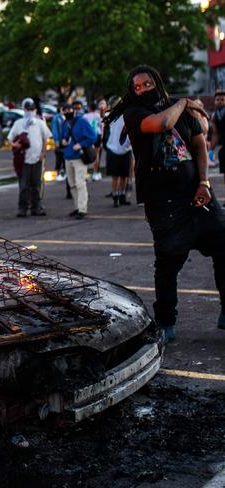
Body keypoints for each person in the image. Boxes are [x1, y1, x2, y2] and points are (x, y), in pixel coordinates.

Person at [108, 64, 225, 342]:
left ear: (157, 83)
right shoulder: (134, 113)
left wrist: (204, 182)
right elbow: (162, 124)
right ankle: (165, 322)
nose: (142, 90)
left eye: (147, 84)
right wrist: (184, 102)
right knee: (168, 263)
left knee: (223, 246)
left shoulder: (178, 109)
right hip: (164, 203)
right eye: (136, 87)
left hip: (197, 195)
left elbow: (199, 145)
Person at [9, 98, 52, 217]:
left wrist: (43, 153)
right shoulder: (18, 124)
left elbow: (45, 138)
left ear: (35, 110)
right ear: (24, 110)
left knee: (36, 184)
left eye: (31, 109)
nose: (29, 111)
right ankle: (22, 208)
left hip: (37, 158)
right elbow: (10, 138)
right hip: (24, 159)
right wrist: (15, 145)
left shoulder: (40, 123)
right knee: (24, 185)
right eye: (27, 109)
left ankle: (36, 207)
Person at [62, 100, 96, 219]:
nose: (67, 112)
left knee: (80, 183)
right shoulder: (65, 123)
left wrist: (81, 144)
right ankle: (77, 207)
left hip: (79, 157)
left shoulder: (81, 121)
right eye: (65, 110)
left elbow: (93, 137)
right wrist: (64, 141)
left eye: (69, 110)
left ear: (73, 110)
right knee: (72, 184)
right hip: (68, 156)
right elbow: (65, 136)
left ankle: (82, 209)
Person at [104, 114, 134, 207]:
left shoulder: (131, 116)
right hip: (113, 149)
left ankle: (122, 196)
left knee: (124, 176)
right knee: (115, 176)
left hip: (126, 150)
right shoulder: (114, 116)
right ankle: (115, 197)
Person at [84, 102, 103, 181]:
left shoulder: (85, 116)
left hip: (88, 136)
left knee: (86, 153)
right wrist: (101, 135)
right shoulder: (98, 115)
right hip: (97, 135)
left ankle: (86, 173)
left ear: (89, 108)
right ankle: (95, 173)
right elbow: (101, 126)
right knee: (97, 154)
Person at [51, 104, 68, 181]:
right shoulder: (56, 118)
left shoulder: (66, 117)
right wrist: (56, 141)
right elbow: (55, 130)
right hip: (60, 141)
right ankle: (58, 174)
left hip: (66, 141)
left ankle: (64, 173)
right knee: (59, 158)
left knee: (65, 158)